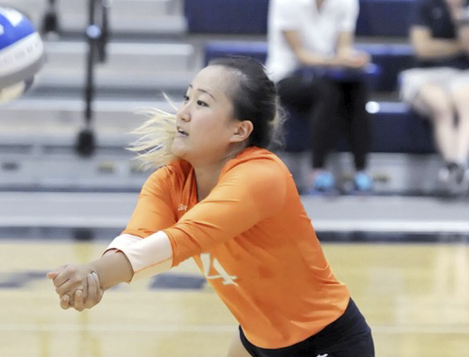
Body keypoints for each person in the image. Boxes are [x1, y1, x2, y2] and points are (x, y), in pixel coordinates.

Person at [47, 57, 375, 357]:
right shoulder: (169, 181)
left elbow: (182, 239)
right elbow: (137, 240)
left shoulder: (262, 175)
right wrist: (93, 277)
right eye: (187, 97)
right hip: (257, 343)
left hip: (328, 343)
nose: (184, 112)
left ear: (240, 130)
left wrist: (97, 275)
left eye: (202, 103)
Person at [265, 0, 373, 194]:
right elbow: (301, 55)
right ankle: (317, 171)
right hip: (287, 74)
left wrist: (354, 58)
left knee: (357, 88)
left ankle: (361, 170)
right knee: (327, 92)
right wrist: (340, 60)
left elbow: (344, 46)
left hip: (326, 72)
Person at [399, 0, 469, 195]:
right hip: (425, 74)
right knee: (441, 105)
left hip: (461, 74)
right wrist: (456, 46)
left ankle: (455, 164)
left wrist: (456, 12)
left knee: (466, 103)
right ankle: (455, 165)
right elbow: (422, 49)